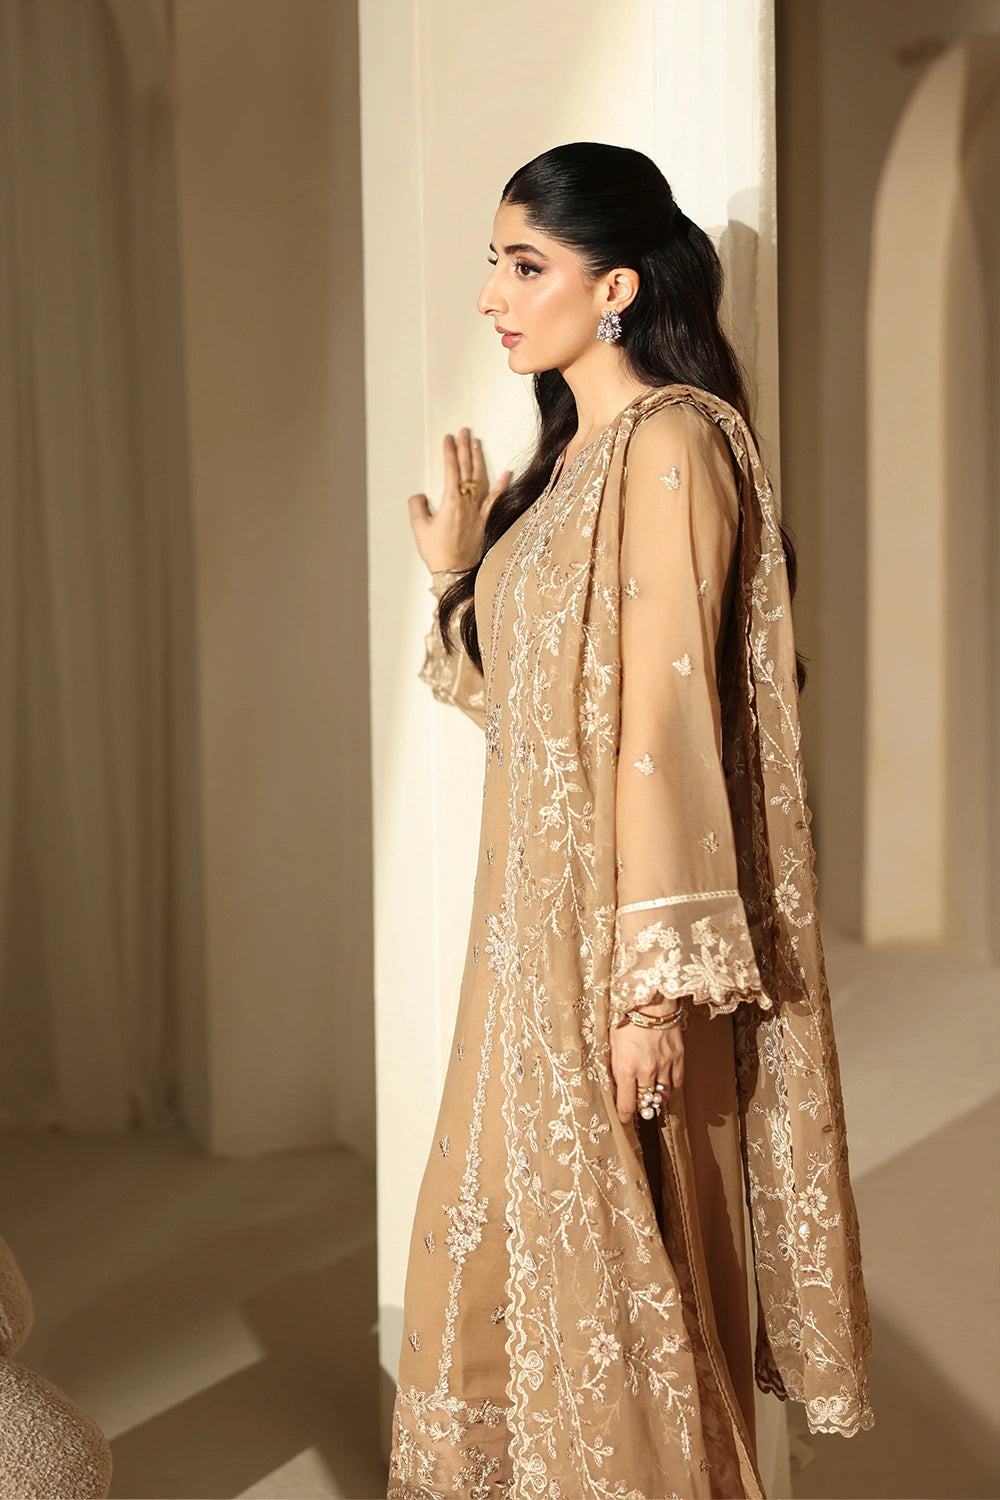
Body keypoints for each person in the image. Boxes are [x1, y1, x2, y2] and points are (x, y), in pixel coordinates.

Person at [388, 142, 873, 1500]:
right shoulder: (566, 471)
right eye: (492, 263)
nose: (492, 295)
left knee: (626, 1293)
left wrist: (651, 995)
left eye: (523, 264)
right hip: (521, 955)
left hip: (616, 955)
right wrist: (461, 576)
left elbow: (663, 732)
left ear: (615, 289)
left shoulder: (671, 444)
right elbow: (532, 719)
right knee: (506, 1270)